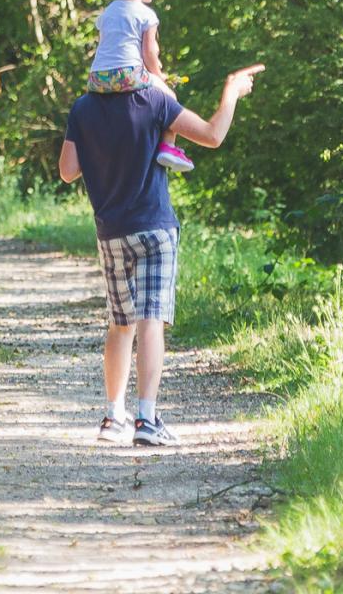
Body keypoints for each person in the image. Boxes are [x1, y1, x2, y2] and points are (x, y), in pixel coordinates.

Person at [59, 60, 264, 446]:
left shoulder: (83, 107)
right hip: (154, 227)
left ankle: (112, 417)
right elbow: (213, 135)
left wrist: (104, 149)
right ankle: (147, 420)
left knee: (120, 324)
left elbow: (68, 170)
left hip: (111, 232)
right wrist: (232, 91)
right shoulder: (155, 100)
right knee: (151, 320)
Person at [86, 0, 193, 172]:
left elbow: (109, 48)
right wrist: (159, 78)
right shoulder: (145, 14)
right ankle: (168, 147)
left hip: (97, 78)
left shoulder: (107, 13)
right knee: (169, 97)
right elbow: (150, 53)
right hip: (127, 73)